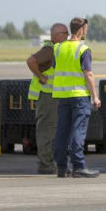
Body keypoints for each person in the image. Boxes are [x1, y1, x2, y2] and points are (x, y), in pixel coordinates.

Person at [52, 17, 101, 177]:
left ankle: (61, 167)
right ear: (81, 29)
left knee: (62, 131)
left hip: (62, 95)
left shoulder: (58, 48)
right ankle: (79, 166)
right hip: (79, 95)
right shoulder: (83, 49)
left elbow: (55, 67)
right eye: (86, 29)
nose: (87, 31)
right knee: (78, 130)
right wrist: (95, 96)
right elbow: (89, 74)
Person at [26, 22, 68, 174]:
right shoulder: (49, 50)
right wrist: (41, 77)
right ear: (56, 35)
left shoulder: (56, 49)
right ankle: (45, 165)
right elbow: (31, 61)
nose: (67, 36)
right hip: (47, 96)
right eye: (65, 33)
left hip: (54, 96)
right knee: (47, 131)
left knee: (51, 130)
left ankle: (50, 163)